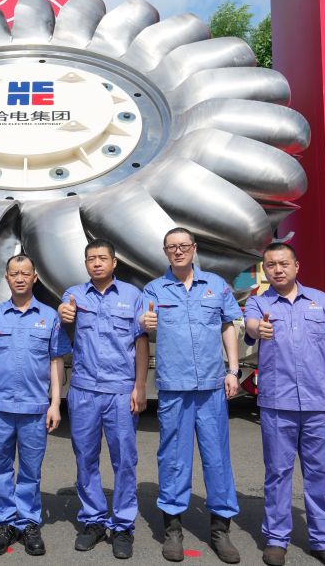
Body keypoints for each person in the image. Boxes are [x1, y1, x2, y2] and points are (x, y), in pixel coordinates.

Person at [243, 243, 325, 566]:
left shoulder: (322, 302)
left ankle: (323, 541)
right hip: (278, 404)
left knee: (319, 474)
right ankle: (276, 539)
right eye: (270, 265)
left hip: (319, 403)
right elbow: (251, 327)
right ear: (265, 270)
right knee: (277, 473)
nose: (277, 270)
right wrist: (259, 328)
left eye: (283, 263)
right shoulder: (258, 303)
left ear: (296, 266)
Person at [140, 227, 242, 564]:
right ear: (165, 251)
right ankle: (173, 530)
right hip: (174, 388)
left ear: (194, 248)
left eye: (184, 245)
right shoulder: (154, 289)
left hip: (212, 386)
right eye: (172, 246)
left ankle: (220, 529)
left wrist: (233, 370)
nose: (178, 250)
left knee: (217, 458)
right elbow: (141, 325)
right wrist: (144, 321)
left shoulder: (215, 285)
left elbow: (228, 325)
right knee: (173, 459)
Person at [0, 254, 69, 557]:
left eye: (25, 273)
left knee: (30, 470)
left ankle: (27, 522)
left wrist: (55, 404)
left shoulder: (49, 316)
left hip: (34, 408)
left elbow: (56, 362)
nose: (20, 278)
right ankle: (3, 522)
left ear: (34, 277)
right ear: (7, 278)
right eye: (14, 273)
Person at [57, 239, 148, 559]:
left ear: (114, 262)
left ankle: (122, 525)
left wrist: (140, 386)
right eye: (91, 259)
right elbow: (64, 317)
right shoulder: (74, 294)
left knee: (124, 460)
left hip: (121, 390)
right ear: (85, 264)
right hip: (84, 390)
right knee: (85, 457)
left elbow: (140, 342)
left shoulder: (132, 295)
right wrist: (63, 314)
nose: (96, 263)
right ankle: (93, 520)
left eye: (102, 258)